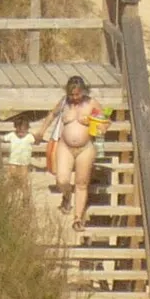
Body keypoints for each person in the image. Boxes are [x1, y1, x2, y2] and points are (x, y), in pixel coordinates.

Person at [44, 73, 105, 227]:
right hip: (65, 146)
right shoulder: (64, 103)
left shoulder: (92, 104)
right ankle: (66, 195)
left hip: (85, 148)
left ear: (83, 91)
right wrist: (41, 131)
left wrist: (93, 122)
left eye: (77, 94)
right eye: (72, 94)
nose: (75, 97)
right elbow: (52, 114)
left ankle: (77, 218)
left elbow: (104, 123)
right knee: (62, 179)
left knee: (81, 183)